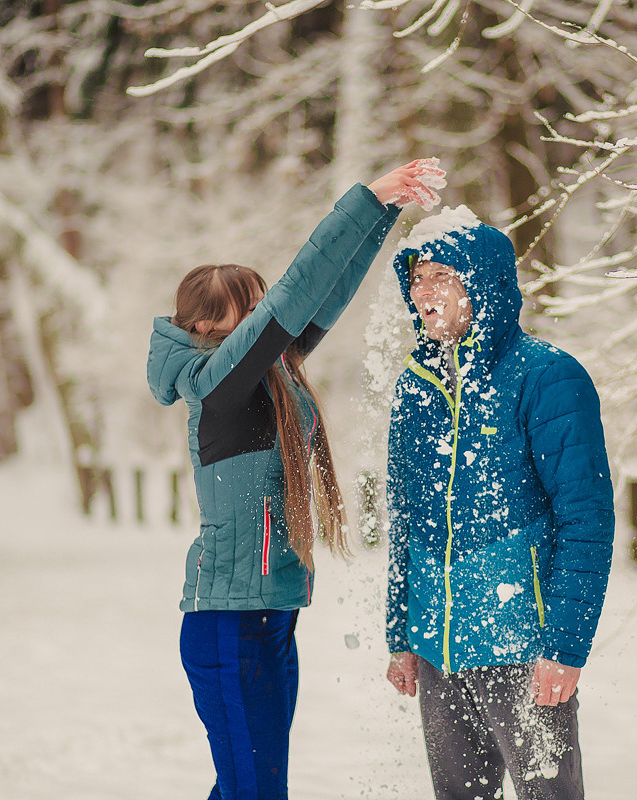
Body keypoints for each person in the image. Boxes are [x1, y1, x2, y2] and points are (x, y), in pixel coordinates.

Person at [147, 158, 444, 800]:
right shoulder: (219, 388)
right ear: (205, 329)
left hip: (269, 617)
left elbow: (323, 293)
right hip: (230, 624)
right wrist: (366, 197)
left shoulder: (268, 377)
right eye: (249, 313)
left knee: (250, 787)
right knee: (255, 790)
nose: (264, 322)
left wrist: (386, 215)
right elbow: (293, 296)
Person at [383, 206, 615, 800]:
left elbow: (586, 519)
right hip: (437, 648)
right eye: (418, 279)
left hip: (522, 644)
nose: (425, 292)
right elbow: (405, 516)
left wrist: (564, 646)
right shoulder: (415, 386)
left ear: (482, 283)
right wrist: (400, 634)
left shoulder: (547, 376)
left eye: (442, 276)